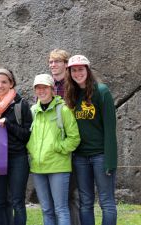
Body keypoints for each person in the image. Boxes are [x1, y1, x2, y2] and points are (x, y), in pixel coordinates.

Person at [65, 55, 118, 225]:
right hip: (80, 157)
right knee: (86, 203)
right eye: (74, 70)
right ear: (70, 72)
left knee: (106, 202)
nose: (78, 73)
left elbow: (110, 129)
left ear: (87, 70)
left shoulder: (101, 91)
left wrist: (110, 160)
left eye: (81, 69)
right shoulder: (72, 94)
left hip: (100, 156)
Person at [26, 73, 80, 225]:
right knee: (46, 209)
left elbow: (74, 138)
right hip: (38, 168)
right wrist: (32, 150)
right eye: (38, 88)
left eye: (45, 87)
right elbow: (28, 136)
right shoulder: (33, 111)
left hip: (58, 167)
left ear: (52, 89)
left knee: (60, 209)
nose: (41, 91)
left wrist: (58, 147)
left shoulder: (63, 110)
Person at [0, 68, 32, 225]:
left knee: (17, 201)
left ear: (11, 83)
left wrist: (9, 125)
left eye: (4, 82)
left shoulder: (21, 104)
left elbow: (26, 135)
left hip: (17, 158)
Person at [49, 49, 81, 225]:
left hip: (73, 145)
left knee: (72, 194)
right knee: (57, 198)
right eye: (51, 62)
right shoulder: (48, 86)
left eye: (57, 61)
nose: (53, 65)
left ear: (66, 64)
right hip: (55, 147)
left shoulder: (74, 86)